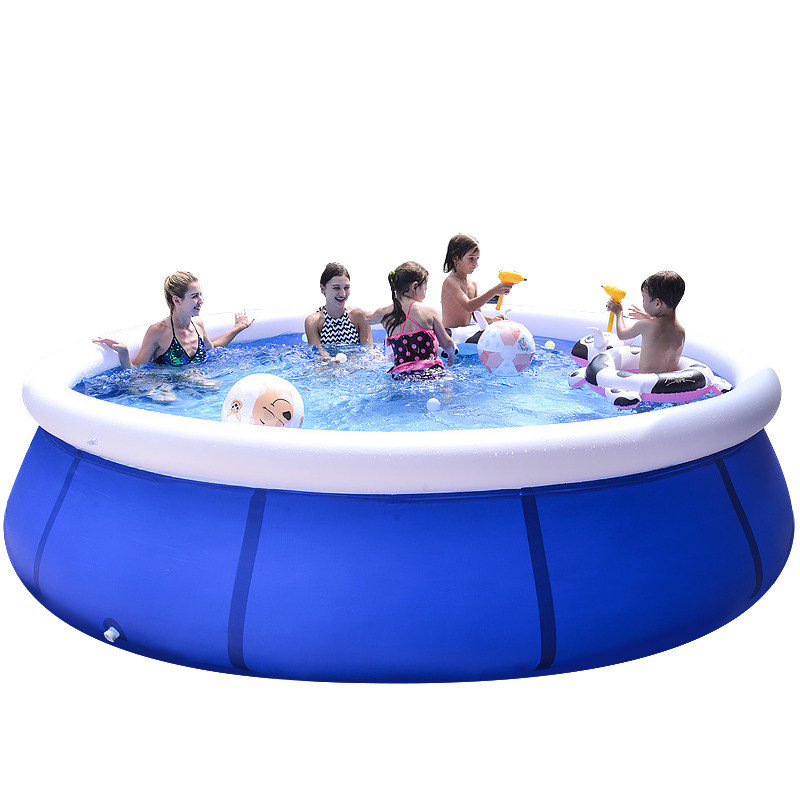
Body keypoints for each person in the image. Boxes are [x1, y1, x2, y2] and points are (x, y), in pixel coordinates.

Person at [94, 271, 252, 368]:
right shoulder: (158, 332)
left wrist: (239, 328)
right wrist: (124, 352)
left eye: (200, 294)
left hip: (196, 387)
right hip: (170, 390)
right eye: (194, 296)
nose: (201, 301)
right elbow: (135, 372)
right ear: (177, 300)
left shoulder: (198, 325)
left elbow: (212, 348)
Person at [371, 262, 455, 379]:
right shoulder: (429, 311)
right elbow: (447, 343)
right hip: (431, 371)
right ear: (414, 287)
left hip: (401, 375)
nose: (425, 294)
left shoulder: (384, 313)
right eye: (425, 289)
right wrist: (451, 353)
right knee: (448, 388)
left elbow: (367, 319)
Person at [605, 270, 686, 373]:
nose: (643, 303)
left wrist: (618, 312)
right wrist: (648, 318)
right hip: (668, 381)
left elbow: (622, 334)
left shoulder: (646, 325)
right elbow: (661, 332)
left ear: (657, 303)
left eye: (644, 299)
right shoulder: (681, 331)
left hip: (646, 382)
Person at [440, 234, 515, 337]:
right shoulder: (451, 282)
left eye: (477, 258)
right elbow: (469, 306)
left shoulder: (472, 284)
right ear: (455, 258)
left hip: (465, 332)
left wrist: (493, 320)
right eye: (471, 258)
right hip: (451, 334)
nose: (476, 263)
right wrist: (494, 291)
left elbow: (476, 315)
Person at [304, 263, 373, 355]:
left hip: (356, 362)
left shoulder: (360, 316)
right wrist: (331, 360)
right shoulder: (313, 322)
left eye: (346, 287)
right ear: (323, 289)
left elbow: (368, 351)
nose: (343, 294)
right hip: (329, 363)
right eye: (336, 288)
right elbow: (319, 355)